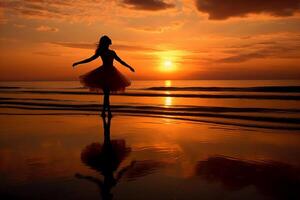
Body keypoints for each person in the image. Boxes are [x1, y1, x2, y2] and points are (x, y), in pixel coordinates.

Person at [72, 35, 135, 117]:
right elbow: (90, 59)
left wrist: (129, 67)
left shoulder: (112, 52)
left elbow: (120, 61)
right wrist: (78, 63)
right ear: (105, 43)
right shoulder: (101, 52)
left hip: (112, 73)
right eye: (107, 42)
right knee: (106, 95)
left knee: (107, 94)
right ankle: (107, 112)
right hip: (104, 73)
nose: (108, 43)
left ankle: (105, 112)